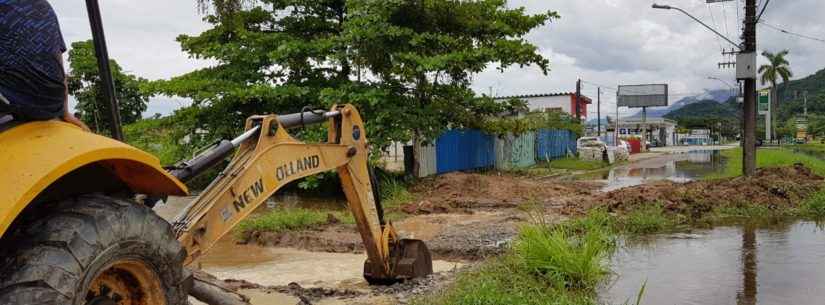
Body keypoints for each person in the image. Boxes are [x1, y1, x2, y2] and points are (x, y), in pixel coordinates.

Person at [0, 0, 87, 129]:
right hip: (53, 103)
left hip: (14, 103)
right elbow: (58, 60)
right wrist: (65, 111)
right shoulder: (45, 6)